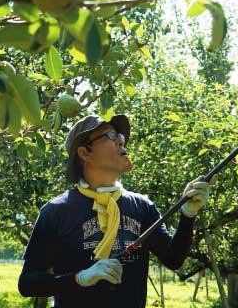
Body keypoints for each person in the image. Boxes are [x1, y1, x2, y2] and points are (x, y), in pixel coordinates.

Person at [18, 114, 211, 307]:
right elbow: (27, 284)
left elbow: (173, 259)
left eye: (120, 135)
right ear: (85, 153)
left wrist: (188, 215)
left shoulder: (142, 208)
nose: (121, 140)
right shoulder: (56, 212)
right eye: (109, 135)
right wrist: (80, 278)